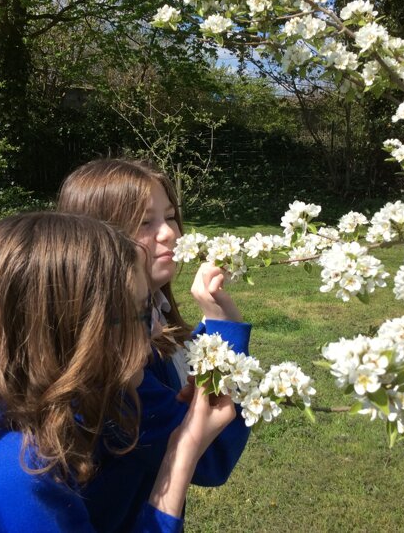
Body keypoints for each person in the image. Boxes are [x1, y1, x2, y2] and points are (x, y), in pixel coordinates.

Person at [0, 212, 237, 533]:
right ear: (69, 333)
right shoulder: (13, 475)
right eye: (139, 313)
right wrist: (180, 453)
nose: (155, 331)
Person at [57, 159, 252, 532]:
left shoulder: (153, 319)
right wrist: (225, 332)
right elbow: (211, 457)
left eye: (171, 217)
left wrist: (213, 331)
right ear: (95, 238)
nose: (168, 234)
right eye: (144, 222)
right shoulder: (114, 367)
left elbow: (183, 386)